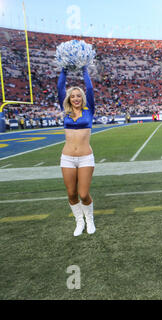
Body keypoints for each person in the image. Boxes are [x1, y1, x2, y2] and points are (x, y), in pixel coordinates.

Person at [57, 66, 96, 237]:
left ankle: (90, 219)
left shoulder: (89, 110)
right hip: (67, 158)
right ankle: (79, 220)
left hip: (85, 157)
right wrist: (64, 69)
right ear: (69, 99)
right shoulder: (65, 112)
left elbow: (90, 88)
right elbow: (59, 87)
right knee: (71, 194)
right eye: (72, 96)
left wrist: (84, 69)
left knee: (83, 193)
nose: (75, 98)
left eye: (78, 95)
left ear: (83, 97)